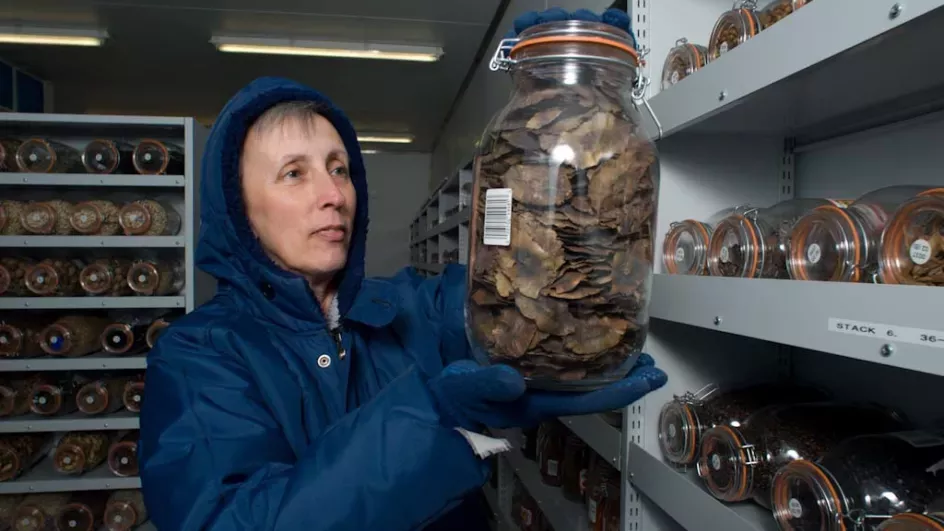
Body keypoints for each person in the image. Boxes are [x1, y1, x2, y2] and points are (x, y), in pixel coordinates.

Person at [138, 10, 666, 531]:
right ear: (238, 208)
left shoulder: (405, 307)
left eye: (339, 169)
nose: (333, 195)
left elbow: (512, 306)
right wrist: (432, 421)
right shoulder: (197, 356)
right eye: (293, 173)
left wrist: (577, 89)